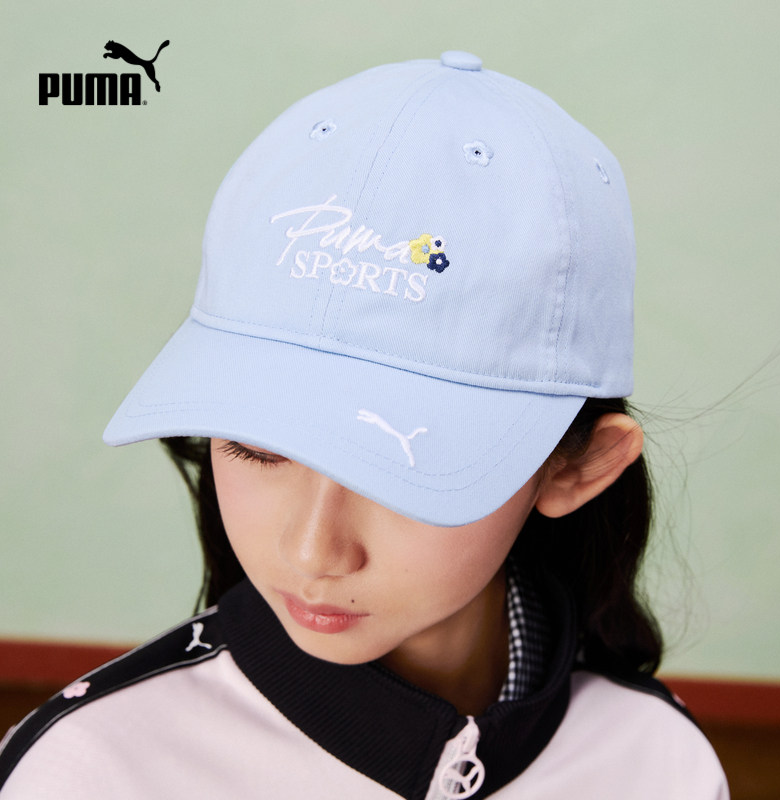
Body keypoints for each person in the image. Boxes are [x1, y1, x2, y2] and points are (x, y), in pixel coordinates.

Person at [0, 51, 728, 798]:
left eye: (403, 464)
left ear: (576, 465)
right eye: (257, 448)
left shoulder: (660, 764)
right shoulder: (89, 771)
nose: (313, 551)